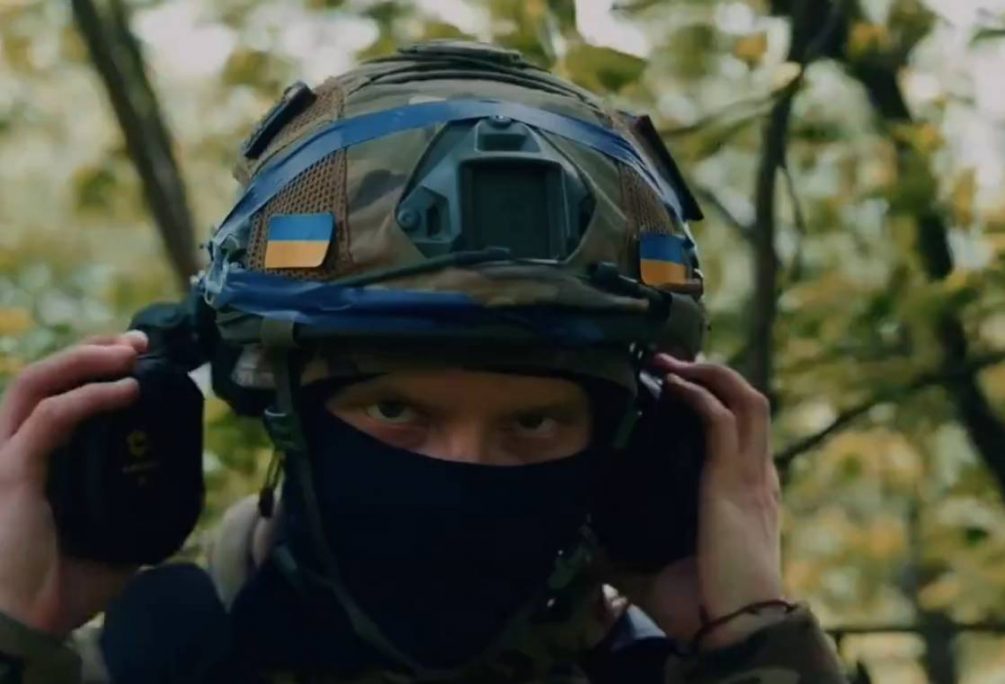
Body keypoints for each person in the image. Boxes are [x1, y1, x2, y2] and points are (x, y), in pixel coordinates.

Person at [0, 41, 847, 682]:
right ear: (279, 401)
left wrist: (750, 643)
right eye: (396, 411)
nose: (464, 472)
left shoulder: (692, 665)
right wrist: (16, 630)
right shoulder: (133, 664)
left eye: (533, 421)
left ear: (632, 441)